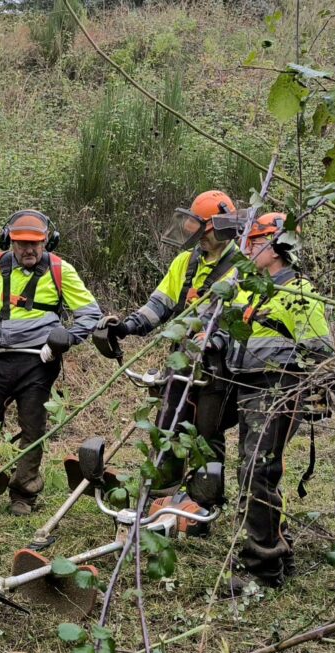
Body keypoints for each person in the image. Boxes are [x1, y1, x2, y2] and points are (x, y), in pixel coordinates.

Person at [0, 210, 102, 516]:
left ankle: (24, 493)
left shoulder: (61, 271)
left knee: (32, 426)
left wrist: (66, 337)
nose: (29, 249)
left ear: (47, 241)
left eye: (36, 243)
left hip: (38, 360)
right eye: (22, 243)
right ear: (9, 241)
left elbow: (91, 314)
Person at [97, 190, 241, 494]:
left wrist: (215, 340)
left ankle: (204, 500)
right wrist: (126, 327)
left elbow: (240, 321)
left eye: (202, 231)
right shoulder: (185, 262)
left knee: (206, 432)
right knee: (168, 426)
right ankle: (163, 494)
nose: (196, 236)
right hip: (179, 359)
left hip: (216, 364)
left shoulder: (243, 268)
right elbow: (159, 305)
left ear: (219, 228)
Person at [226, 212, 333, 591]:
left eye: (254, 242)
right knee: (255, 473)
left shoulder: (300, 293)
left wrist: (318, 395)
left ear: (276, 247)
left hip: (280, 389)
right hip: (249, 388)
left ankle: (262, 568)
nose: (247, 249)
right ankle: (276, 549)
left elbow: (323, 353)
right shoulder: (248, 289)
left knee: (258, 473)